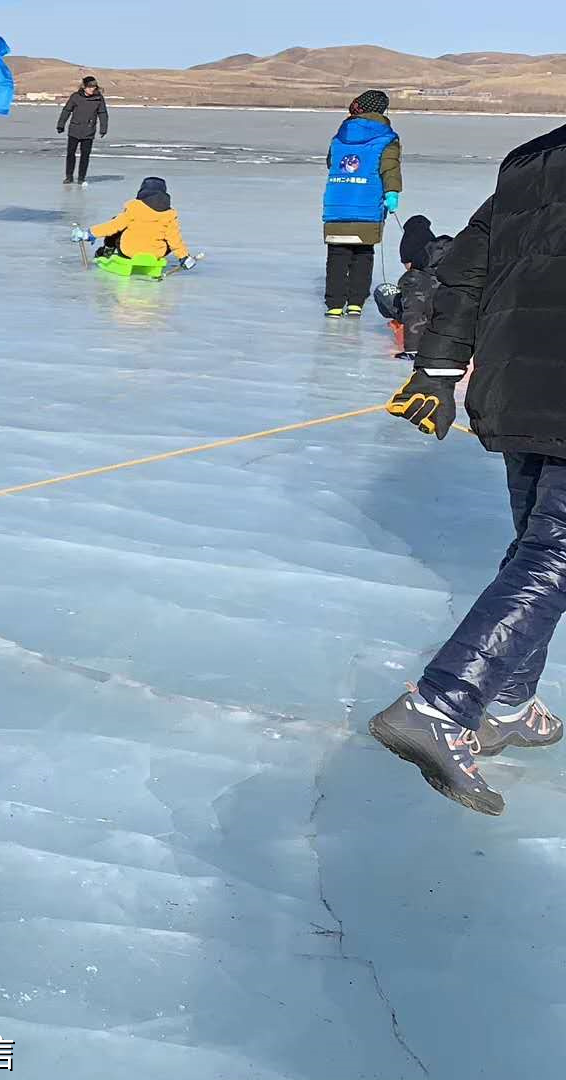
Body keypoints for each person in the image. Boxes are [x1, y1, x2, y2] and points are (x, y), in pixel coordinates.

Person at [370, 121, 566, 816]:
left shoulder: (531, 161)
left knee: (535, 552)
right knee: (555, 556)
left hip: (518, 387)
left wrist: (438, 368)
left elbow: (464, 270)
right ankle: (444, 703)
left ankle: (508, 703)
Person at [322, 89, 402, 317]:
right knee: (363, 253)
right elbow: (390, 168)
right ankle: (356, 301)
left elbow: (331, 163)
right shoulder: (387, 137)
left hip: (337, 203)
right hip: (367, 205)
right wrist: (392, 192)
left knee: (337, 255)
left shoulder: (339, 135)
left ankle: (335, 304)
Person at [73, 176, 195, 274]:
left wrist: (89, 233)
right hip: (155, 253)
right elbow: (175, 240)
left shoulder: (134, 208)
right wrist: (184, 257)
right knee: (168, 235)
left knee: (117, 222)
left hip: (129, 251)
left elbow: (113, 226)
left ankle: (108, 250)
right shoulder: (169, 214)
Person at [372, 214, 450, 356]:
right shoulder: (453, 259)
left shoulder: (414, 278)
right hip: (458, 315)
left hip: (432, 321)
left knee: (382, 291)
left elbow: (414, 311)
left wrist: (412, 350)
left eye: (405, 263)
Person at [57, 76, 108, 185]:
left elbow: (103, 114)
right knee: (70, 154)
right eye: (89, 87)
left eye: (94, 87)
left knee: (85, 155)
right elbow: (67, 110)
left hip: (88, 131)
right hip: (74, 130)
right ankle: (69, 177)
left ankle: (81, 178)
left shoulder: (99, 98)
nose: (92, 89)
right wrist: (61, 125)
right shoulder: (75, 97)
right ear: (84, 87)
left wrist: (103, 129)